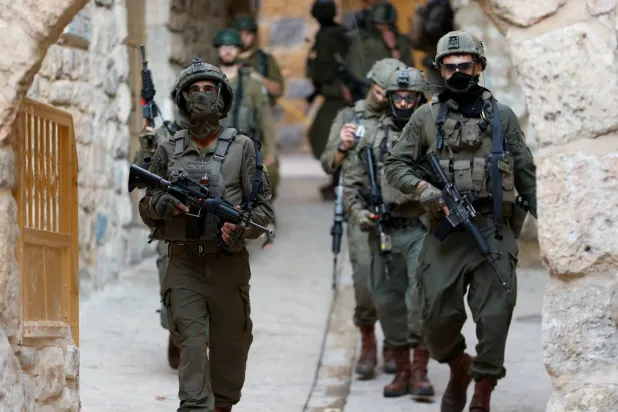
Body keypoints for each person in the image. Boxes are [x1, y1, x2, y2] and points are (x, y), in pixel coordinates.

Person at [383, 31, 537, 412]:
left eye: (465, 66)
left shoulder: (501, 117)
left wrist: (549, 224)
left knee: (495, 318)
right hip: (446, 232)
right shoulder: (425, 117)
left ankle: (482, 390)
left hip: (492, 230)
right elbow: (396, 165)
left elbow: (527, 176)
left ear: (479, 67)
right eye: (449, 68)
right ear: (440, 70)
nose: (457, 73)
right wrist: (423, 188)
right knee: (434, 318)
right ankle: (458, 366)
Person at [138, 57, 274, 412]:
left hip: (228, 266)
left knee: (231, 350)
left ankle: (222, 405)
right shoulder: (167, 149)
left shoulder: (244, 148)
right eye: (194, 90)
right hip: (183, 265)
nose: (201, 96)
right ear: (183, 100)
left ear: (221, 97)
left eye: (209, 90)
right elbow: (146, 207)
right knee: (194, 347)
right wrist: (160, 206)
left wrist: (242, 228)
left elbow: (263, 211)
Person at [342, 66, 434, 400]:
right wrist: (359, 214)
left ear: (420, 99)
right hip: (381, 230)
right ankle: (402, 368)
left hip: (420, 228)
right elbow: (351, 185)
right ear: (390, 98)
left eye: (411, 98)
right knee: (386, 301)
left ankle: (420, 370)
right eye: (398, 97)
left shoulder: (432, 136)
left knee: (418, 300)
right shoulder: (371, 136)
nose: (404, 104)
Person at [320, 57, 407, 380]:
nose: (385, 98)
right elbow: (328, 163)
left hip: (399, 210)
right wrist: (343, 146)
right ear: (372, 85)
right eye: (381, 90)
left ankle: (394, 343)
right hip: (361, 210)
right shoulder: (350, 116)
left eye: (392, 93)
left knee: (397, 282)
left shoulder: (406, 117)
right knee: (365, 281)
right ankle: (368, 339)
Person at [214, 27, 279, 248]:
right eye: (224, 47)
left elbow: (266, 118)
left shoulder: (251, 83)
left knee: (261, 182)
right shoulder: (208, 81)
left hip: (246, 146)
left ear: (239, 50)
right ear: (217, 49)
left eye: (232, 47)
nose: (228, 51)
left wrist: (270, 151)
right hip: (215, 146)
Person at [130, 125, 182, 370]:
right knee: (171, 286)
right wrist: (147, 147)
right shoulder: (165, 134)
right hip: (170, 230)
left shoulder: (223, 137)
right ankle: (176, 334)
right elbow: (139, 178)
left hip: (206, 227)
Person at [306, 0, 351, 200]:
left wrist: (320, 87)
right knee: (327, 137)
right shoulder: (337, 32)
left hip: (339, 96)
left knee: (327, 138)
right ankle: (337, 180)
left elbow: (326, 68)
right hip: (333, 94)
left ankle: (340, 182)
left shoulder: (329, 35)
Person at [345, 1, 414, 86]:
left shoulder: (401, 41)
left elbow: (409, 71)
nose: (384, 28)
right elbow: (356, 71)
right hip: (369, 88)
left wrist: (394, 48)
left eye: (388, 24)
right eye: (380, 24)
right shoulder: (362, 42)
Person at [233, 14, 285, 106]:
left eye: (247, 34)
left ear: (254, 36)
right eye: (240, 34)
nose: (243, 38)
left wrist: (256, 77)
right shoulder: (226, 58)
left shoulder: (265, 59)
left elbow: (278, 90)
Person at [408, 0, 454, 95]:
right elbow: (431, 30)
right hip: (443, 59)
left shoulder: (427, 9)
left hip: (434, 58)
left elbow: (418, 39)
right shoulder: (440, 6)